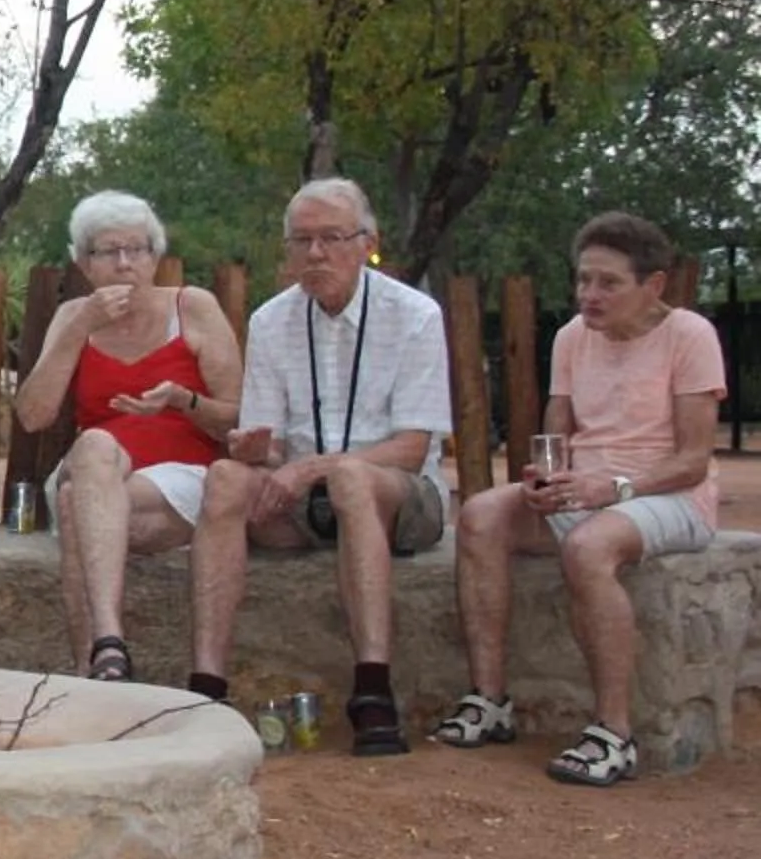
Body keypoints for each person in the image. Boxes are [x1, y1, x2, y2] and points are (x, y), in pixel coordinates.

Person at [435, 211, 724, 787]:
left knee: (589, 547)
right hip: (589, 493)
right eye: (583, 279)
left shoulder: (689, 335)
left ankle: (614, 732)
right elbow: (557, 431)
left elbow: (693, 460)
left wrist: (613, 488)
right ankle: (490, 699)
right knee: (481, 515)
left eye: (608, 283)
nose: (589, 294)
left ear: (653, 285)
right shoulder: (572, 336)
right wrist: (546, 480)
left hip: (670, 495)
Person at [190, 177, 451, 755]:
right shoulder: (270, 321)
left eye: (331, 238)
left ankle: (373, 688)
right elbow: (276, 451)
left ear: (367, 244)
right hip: (309, 503)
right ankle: (207, 688)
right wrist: (257, 452)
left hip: (401, 496)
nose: (315, 253)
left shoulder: (415, 315)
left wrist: (310, 470)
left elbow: (411, 448)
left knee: (351, 478)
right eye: (301, 240)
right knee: (225, 479)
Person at [8, 191, 242, 681]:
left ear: (155, 257)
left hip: (181, 476)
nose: (123, 264)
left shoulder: (192, 307)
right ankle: (110, 643)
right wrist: (80, 328)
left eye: (136, 249)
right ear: (83, 263)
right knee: (93, 448)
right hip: (103, 471)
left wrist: (182, 400)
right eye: (107, 252)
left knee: (73, 502)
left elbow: (235, 419)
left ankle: (93, 663)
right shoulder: (73, 317)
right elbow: (32, 415)